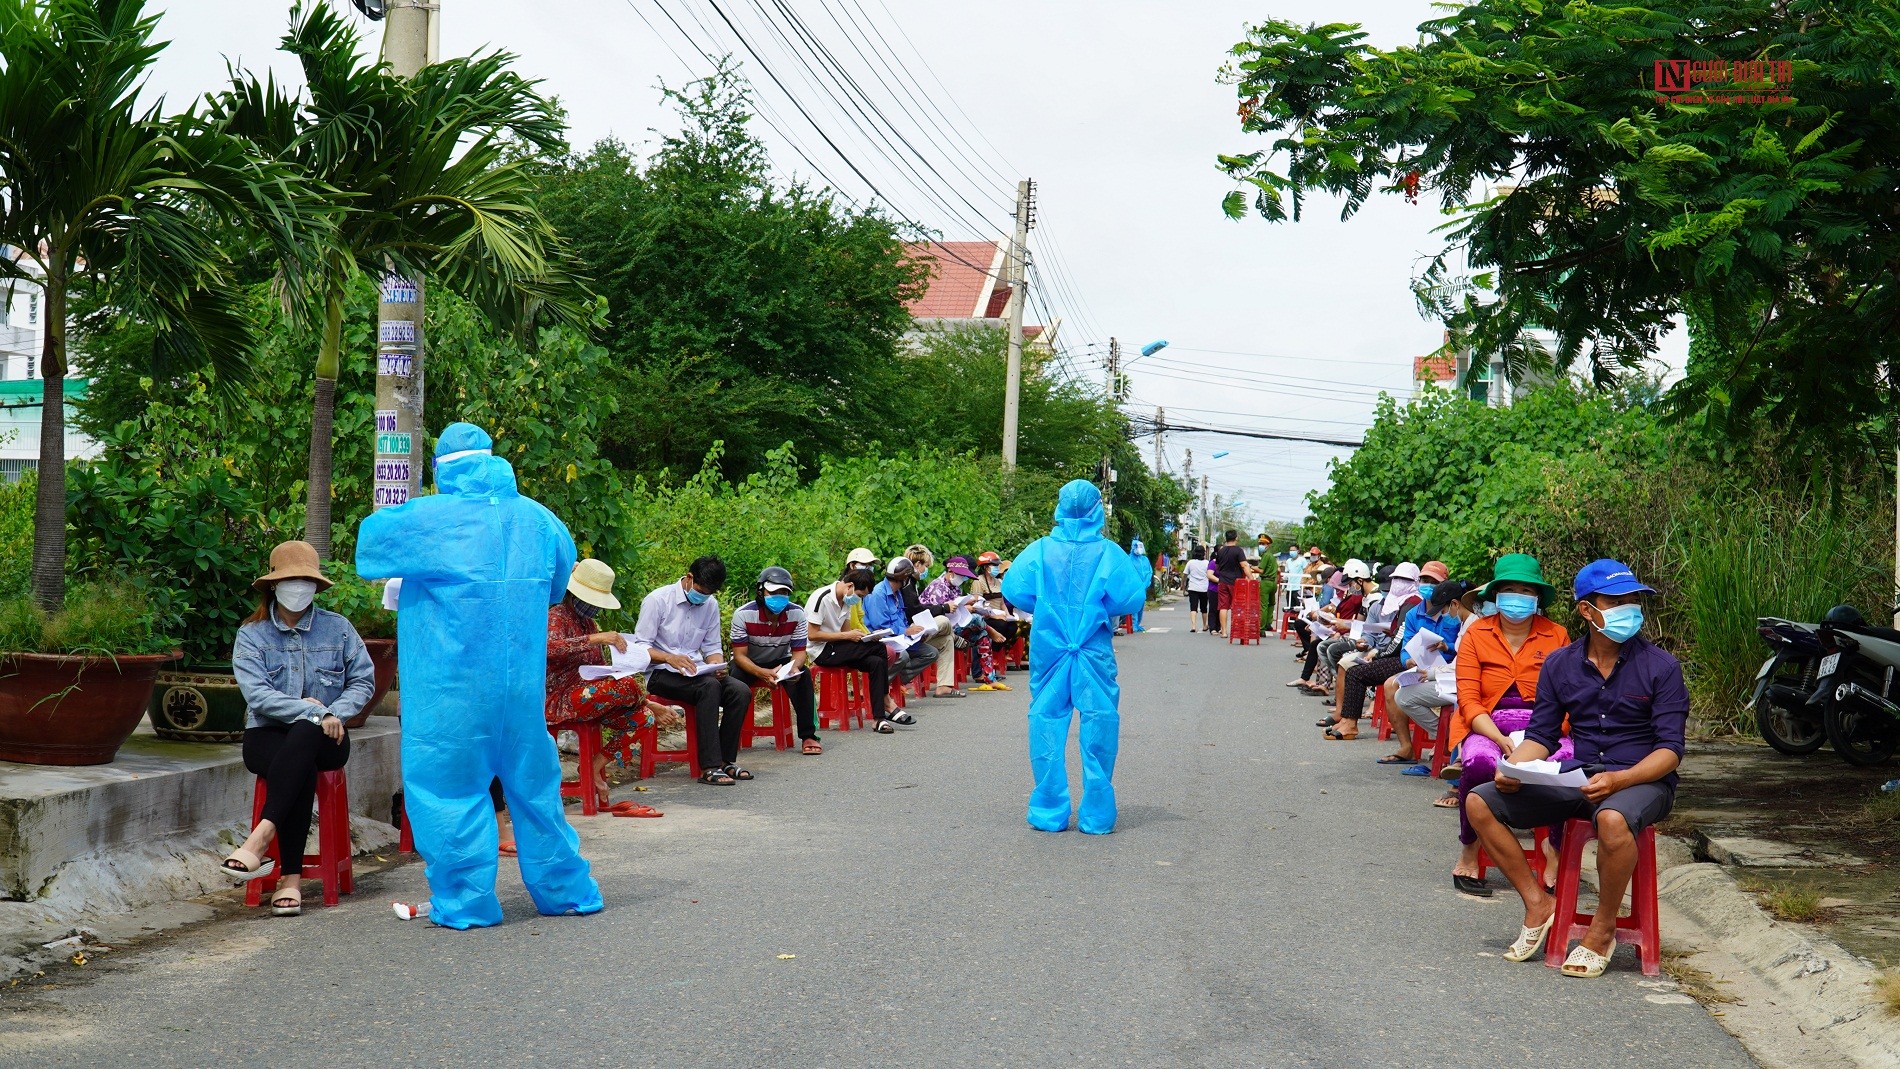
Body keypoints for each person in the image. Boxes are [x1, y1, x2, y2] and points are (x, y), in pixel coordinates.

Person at [357, 422, 601, 928]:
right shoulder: (541, 520)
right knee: (535, 791)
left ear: (443, 470)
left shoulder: (427, 518)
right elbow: (558, 586)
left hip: (449, 691)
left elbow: (369, 548)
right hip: (520, 691)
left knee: (448, 793)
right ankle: (567, 891)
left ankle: (467, 902)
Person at [1468, 559, 1687, 976]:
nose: (1629, 609)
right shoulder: (1559, 664)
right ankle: (1539, 904)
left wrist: (1622, 778)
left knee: (1611, 817)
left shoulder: (1662, 667)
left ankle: (1602, 929)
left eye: (1633, 600)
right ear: (1587, 610)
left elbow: (1670, 751)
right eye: (1616, 600)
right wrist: (1512, 766)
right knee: (1481, 802)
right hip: (1581, 774)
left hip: (1644, 779)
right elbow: (1543, 736)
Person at [222, 540, 376, 916]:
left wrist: (332, 712)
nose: (299, 587)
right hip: (266, 735)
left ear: (316, 585)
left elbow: (364, 681)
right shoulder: (252, 635)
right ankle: (289, 879)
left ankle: (260, 840)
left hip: (330, 736)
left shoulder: (337, 629)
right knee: (301, 746)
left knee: (307, 735)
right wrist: (309, 712)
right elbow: (258, 696)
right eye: (291, 580)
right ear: (273, 585)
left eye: (306, 580)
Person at [1002, 480, 1147, 834]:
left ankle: (1048, 810)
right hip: (1091, 646)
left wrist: (1046, 607)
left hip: (1051, 645)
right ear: (1097, 509)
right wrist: (1097, 608)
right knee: (1099, 722)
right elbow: (1131, 597)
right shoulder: (1108, 552)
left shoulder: (1039, 550)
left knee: (1046, 721)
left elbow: (1014, 589)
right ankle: (1097, 814)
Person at [1445, 554, 1571, 894]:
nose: (1517, 596)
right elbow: (1469, 700)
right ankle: (1470, 849)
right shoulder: (1476, 635)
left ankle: (1555, 852)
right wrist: (1501, 739)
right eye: (1509, 589)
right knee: (1479, 761)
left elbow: (1570, 697)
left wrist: (1541, 738)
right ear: (1496, 596)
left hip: (1546, 725)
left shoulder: (1557, 635)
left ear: (1537, 598)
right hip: (1488, 724)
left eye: (1525, 590)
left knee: (1565, 765)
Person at [543, 558, 663, 820]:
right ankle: (591, 770)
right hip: (560, 699)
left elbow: (600, 669)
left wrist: (647, 703)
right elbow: (549, 650)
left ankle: (593, 766)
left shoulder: (589, 623)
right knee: (630, 685)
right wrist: (595, 639)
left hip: (589, 696)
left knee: (644, 718)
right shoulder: (556, 617)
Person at [630, 555, 754, 785]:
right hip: (660, 673)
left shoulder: (710, 604)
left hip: (697, 672)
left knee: (739, 690)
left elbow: (712, 646)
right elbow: (640, 647)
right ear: (689, 578)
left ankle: (726, 761)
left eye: (709, 593)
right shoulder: (657, 600)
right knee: (708, 688)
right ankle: (709, 766)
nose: (703, 597)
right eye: (700, 590)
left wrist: (717, 665)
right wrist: (669, 657)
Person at [1323, 561, 1424, 738]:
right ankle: (1347, 720)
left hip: (1407, 659)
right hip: (1399, 655)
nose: (1399, 583)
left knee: (1356, 672)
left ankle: (1350, 724)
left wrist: (1377, 656)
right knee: (1353, 668)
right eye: (1397, 579)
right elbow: (1391, 635)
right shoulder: (1399, 602)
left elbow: (1399, 642)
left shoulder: (1412, 603)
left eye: (1404, 580)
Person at [729, 566, 822, 755]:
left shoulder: (796, 614)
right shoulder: (743, 614)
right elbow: (739, 655)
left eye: (784, 592)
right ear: (761, 591)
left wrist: (793, 669)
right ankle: (730, 737)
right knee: (734, 683)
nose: (779, 596)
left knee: (802, 676)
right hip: (748, 663)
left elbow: (799, 652)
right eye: (774, 592)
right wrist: (761, 673)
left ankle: (808, 735)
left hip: (780, 661)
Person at [1379, 579, 1472, 768]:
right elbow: (1406, 645)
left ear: (1454, 604)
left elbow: (1461, 662)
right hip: (1440, 671)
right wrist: (1409, 661)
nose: (1444, 615)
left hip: (1451, 676)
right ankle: (1443, 739)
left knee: (1404, 697)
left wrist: (1433, 669)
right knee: (1394, 685)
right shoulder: (1417, 614)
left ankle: (1449, 739)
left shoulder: (1470, 623)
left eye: (1444, 611)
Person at [805, 565, 910, 732]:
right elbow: (813, 635)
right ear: (849, 586)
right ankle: (887, 701)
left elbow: (846, 631)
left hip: (839, 647)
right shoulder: (822, 598)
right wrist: (848, 637)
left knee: (876, 661)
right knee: (881, 650)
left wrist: (867, 637)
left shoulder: (846, 600)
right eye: (860, 595)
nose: (859, 600)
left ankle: (879, 719)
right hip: (822, 651)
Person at [863, 557, 939, 688]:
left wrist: (915, 633)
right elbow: (880, 626)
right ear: (904, 579)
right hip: (882, 640)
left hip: (901, 640)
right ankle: (876, 686)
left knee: (931, 653)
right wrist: (905, 631)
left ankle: (895, 678)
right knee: (902, 656)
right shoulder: (878, 594)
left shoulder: (898, 593)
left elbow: (902, 619)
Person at [1209, 529, 1257, 635]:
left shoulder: (1220, 551)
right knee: (1238, 606)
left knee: (1223, 606)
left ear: (1226, 538)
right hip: (1236, 582)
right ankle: (1237, 630)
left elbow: (1217, 566)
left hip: (1222, 582)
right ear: (1236, 538)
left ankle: (1224, 631)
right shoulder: (1238, 551)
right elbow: (1244, 565)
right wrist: (1251, 578)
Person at [1126, 536, 1152, 632]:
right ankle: (1133, 624)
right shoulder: (1129, 559)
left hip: (1143, 586)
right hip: (1133, 587)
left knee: (1141, 605)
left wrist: (1146, 582)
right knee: (1134, 605)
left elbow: (1149, 571)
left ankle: (1138, 623)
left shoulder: (1145, 559)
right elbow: (1128, 573)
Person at [1184, 546, 1212, 632]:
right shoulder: (1207, 563)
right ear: (1204, 553)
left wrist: (1183, 585)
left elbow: (1185, 575)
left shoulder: (1190, 562)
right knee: (1204, 608)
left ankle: (1193, 626)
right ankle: (1204, 625)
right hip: (1204, 588)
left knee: (1193, 607)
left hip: (1193, 587)